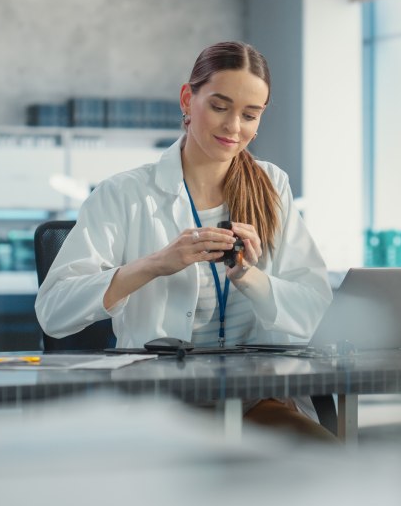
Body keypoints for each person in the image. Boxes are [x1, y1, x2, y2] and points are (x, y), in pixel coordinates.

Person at [36, 41, 334, 440]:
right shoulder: (123, 194)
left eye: (250, 114)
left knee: (328, 467)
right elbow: (54, 311)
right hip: (162, 409)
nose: (233, 127)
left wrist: (250, 278)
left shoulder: (271, 185)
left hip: (255, 402)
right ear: (187, 99)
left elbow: (315, 308)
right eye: (219, 106)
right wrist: (155, 264)